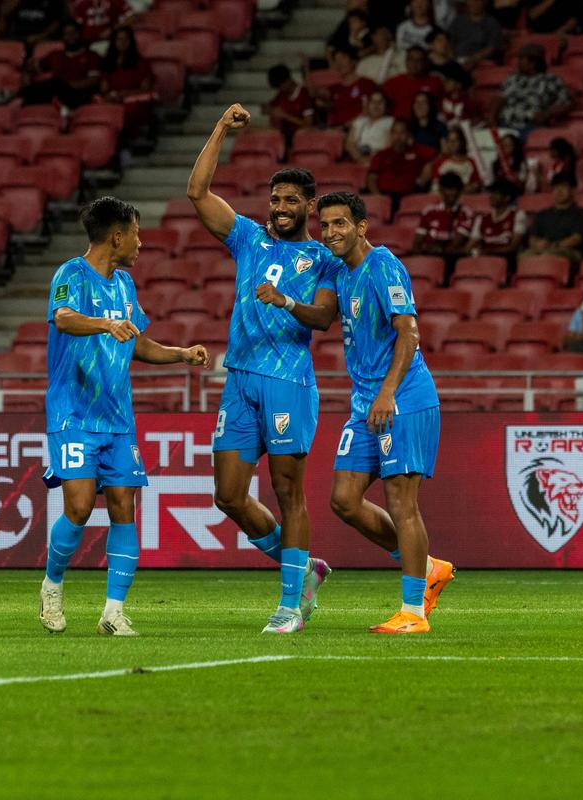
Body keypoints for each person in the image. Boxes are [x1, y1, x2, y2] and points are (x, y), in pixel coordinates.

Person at [186, 104, 342, 634]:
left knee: (288, 492)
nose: (279, 207)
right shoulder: (249, 239)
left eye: (291, 200)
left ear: (309, 206)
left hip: (288, 382)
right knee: (227, 494)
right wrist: (220, 131)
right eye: (275, 199)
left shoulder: (323, 259)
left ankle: (289, 605)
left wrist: (282, 302)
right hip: (241, 379)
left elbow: (324, 316)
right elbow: (198, 195)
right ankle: (306, 571)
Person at [39, 196, 210, 637]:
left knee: (123, 507)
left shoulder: (125, 285)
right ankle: (52, 587)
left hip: (117, 418)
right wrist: (103, 324)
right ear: (117, 235)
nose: (141, 241)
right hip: (73, 411)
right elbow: (63, 319)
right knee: (77, 508)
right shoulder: (70, 274)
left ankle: (113, 612)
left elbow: (139, 343)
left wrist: (180, 355)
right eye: (136, 232)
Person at [308, 191, 452, 635]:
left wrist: (387, 393)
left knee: (402, 504)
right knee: (344, 500)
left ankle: (414, 612)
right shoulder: (341, 271)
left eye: (340, 224)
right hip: (366, 402)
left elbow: (408, 331)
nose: (331, 232)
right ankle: (425, 567)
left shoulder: (383, 265)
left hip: (401, 399)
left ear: (361, 227)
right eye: (326, 224)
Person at [490, 43, 572, 133]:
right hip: (505, 123)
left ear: (533, 63)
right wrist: (492, 117)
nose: (518, 62)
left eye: (522, 59)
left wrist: (547, 114)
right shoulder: (513, 78)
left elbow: (566, 103)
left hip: (531, 125)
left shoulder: (551, 80)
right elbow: (500, 97)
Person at [19, 18, 100, 108]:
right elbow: (32, 68)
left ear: (80, 34)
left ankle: (15, 94)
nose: (70, 37)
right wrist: (27, 75)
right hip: (54, 93)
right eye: (67, 34)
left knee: (56, 82)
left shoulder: (91, 56)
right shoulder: (56, 55)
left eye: (73, 33)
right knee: (28, 101)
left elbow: (93, 81)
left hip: (77, 95)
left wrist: (66, 85)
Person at [100, 26, 154, 140]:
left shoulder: (140, 63)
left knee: (126, 112)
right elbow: (104, 89)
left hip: (134, 103)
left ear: (131, 41)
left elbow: (145, 88)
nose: (122, 43)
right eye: (119, 39)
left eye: (125, 39)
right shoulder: (107, 63)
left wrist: (125, 95)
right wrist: (112, 97)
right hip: (114, 101)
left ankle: (124, 145)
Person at [523, 173, 583, 265]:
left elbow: (576, 239)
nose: (559, 191)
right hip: (543, 249)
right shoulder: (542, 214)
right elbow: (533, 238)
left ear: (573, 190)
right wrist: (537, 244)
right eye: (555, 187)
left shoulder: (581, 213)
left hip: (569, 251)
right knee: (524, 256)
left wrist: (554, 245)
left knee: (549, 255)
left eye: (563, 187)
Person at [367, 118, 437, 205]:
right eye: (395, 132)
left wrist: (421, 182)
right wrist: (379, 198)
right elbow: (371, 179)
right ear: (391, 134)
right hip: (384, 196)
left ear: (408, 135)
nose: (398, 136)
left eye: (402, 132)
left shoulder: (417, 152)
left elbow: (435, 157)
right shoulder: (381, 155)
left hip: (409, 198)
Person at [413, 172, 475, 262]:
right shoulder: (429, 211)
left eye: (455, 189)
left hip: (450, 259)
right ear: (441, 190)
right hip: (428, 255)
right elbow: (417, 241)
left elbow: (456, 243)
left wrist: (439, 250)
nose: (452, 193)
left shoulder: (466, 213)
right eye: (448, 189)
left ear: (460, 191)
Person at [317, 47, 378, 129]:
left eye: (343, 58)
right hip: (334, 131)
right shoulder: (334, 88)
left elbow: (370, 110)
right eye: (336, 60)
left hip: (359, 130)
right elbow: (318, 99)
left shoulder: (367, 84)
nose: (339, 63)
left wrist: (348, 125)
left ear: (353, 61)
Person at [468, 179, 527, 258]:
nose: (491, 196)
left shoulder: (518, 215)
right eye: (491, 193)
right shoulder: (482, 218)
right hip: (485, 261)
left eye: (496, 193)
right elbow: (471, 245)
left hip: (507, 260)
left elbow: (513, 247)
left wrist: (487, 252)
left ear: (507, 198)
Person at [382, 47, 443, 120]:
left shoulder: (435, 82)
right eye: (411, 59)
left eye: (419, 60)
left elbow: (440, 107)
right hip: (397, 126)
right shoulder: (392, 82)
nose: (414, 63)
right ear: (406, 61)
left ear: (425, 63)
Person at [264, 64, 314, 145]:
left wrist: (285, 116)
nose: (280, 89)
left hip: (301, 137)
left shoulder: (304, 94)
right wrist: (269, 110)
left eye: (280, 86)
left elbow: (308, 124)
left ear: (288, 81)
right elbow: (268, 107)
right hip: (284, 136)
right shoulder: (281, 94)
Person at [422, 126, 481, 193]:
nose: (452, 143)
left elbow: (476, 184)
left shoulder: (470, 162)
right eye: (450, 141)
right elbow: (435, 185)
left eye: (456, 140)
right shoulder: (440, 161)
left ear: (462, 142)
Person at [345, 90, 394, 164]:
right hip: (357, 158)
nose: (376, 105)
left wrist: (372, 160)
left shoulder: (390, 122)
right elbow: (350, 143)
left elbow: (388, 147)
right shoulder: (359, 121)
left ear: (386, 105)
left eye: (380, 102)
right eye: (373, 102)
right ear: (367, 104)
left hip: (380, 160)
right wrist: (359, 158)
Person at [449, 0, 502, 68]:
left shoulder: (492, 23)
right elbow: (449, 41)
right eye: (471, 1)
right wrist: (452, 59)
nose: (474, 4)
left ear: (484, 3)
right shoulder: (458, 20)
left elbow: (491, 48)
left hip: (478, 61)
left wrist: (473, 60)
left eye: (478, 1)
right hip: (456, 59)